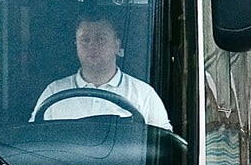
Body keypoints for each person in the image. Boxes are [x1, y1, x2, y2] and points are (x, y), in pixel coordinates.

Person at [32, 10, 171, 130]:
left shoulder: (144, 94)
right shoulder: (53, 92)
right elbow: (34, 142)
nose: (92, 45)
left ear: (117, 44)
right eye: (85, 40)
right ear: (76, 45)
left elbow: (163, 146)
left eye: (100, 38)